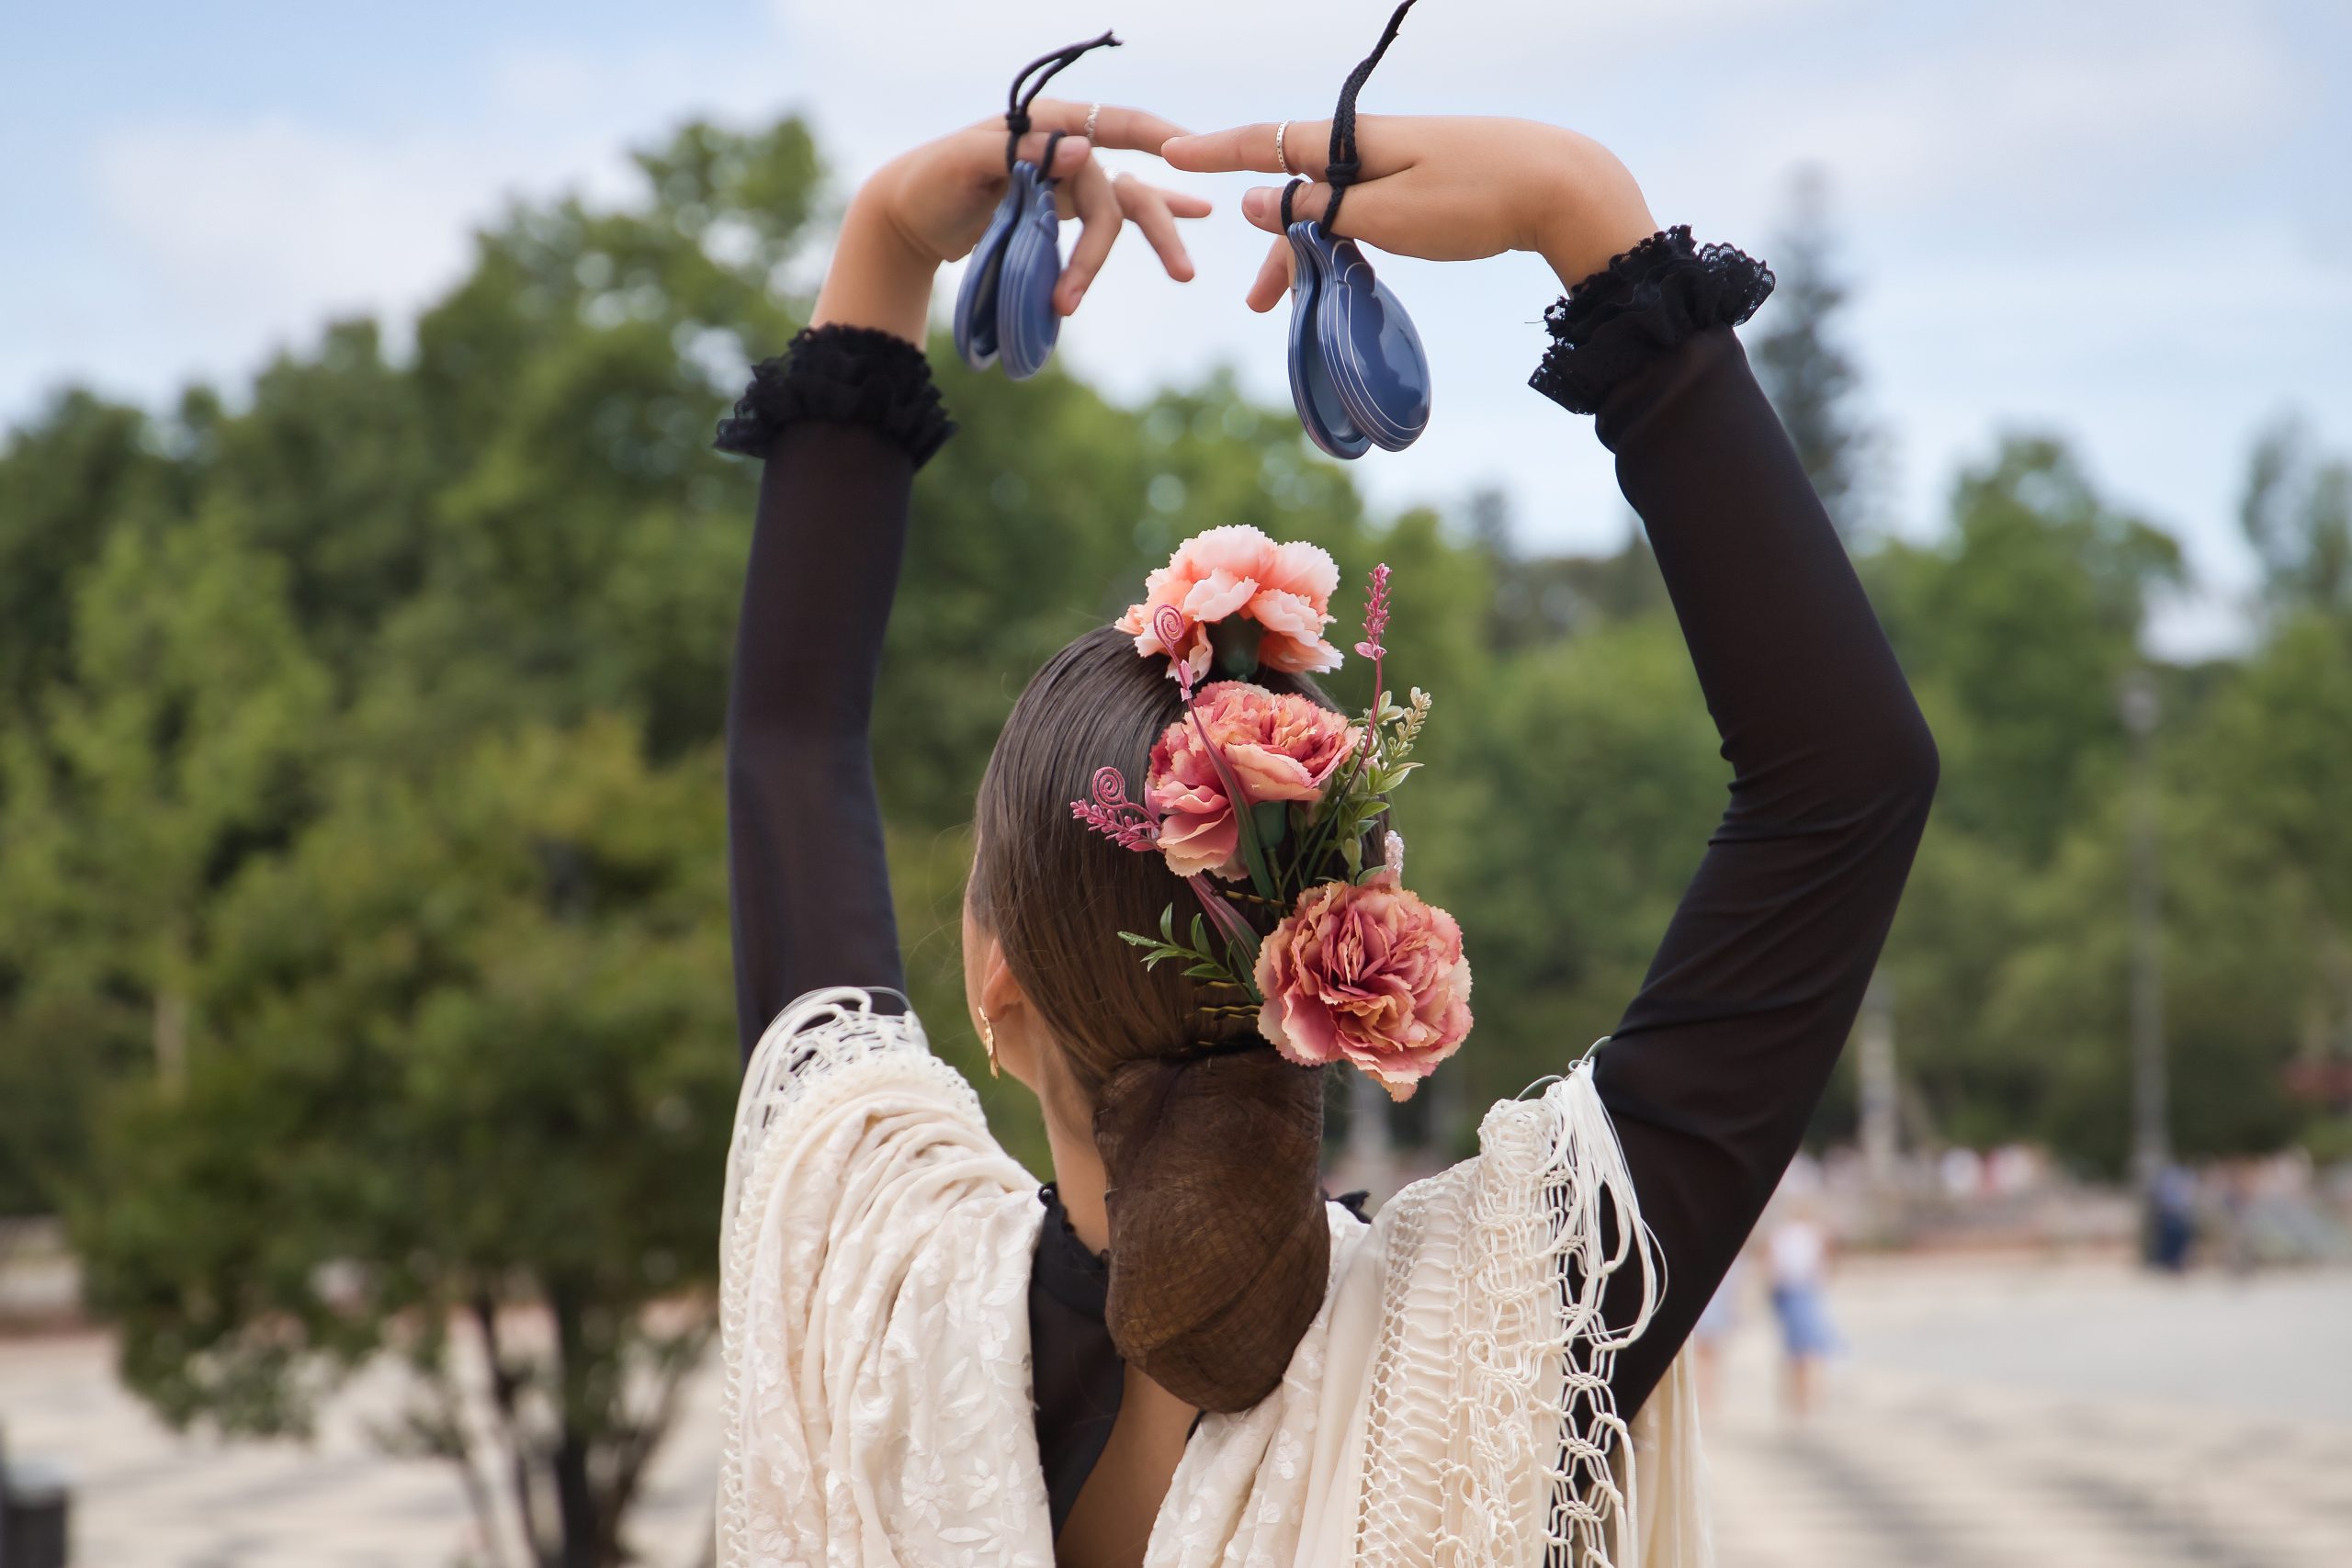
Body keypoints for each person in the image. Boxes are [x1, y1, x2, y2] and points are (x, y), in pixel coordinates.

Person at [712, 96, 1937, 1568]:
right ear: (1342, 966)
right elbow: (1846, 782)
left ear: (996, 983)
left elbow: (789, 749)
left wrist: (889, 243)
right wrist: (1582, 211)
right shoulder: (1498, 1340)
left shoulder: (875, 1297)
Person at [1767, 1206, 1838, 1420]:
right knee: (1804, 1351)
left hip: (1799, 1292)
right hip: (1797, 1292)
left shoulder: (1797, 1233)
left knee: (1802, 1351)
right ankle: (1805, 1403)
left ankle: (1805, 1402)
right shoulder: (1798, 1233)